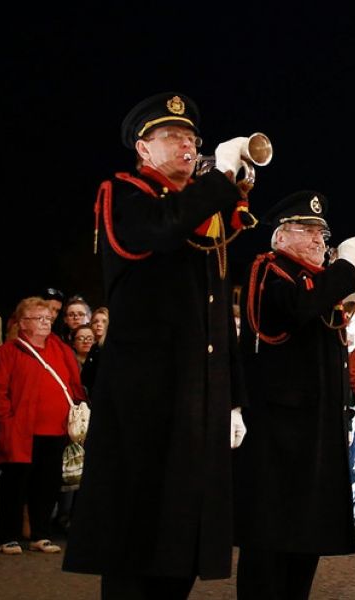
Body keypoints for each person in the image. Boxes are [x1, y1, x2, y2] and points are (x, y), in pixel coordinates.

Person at [64, 92, 249, 599]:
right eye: (173, 136)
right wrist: (216, 182)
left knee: (184, 524)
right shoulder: (123, 192)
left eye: (192, 138)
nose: (187, 145)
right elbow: (157, 232)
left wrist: (232, 394)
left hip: (196, 391)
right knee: (136, 522)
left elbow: (216, 311)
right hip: (145, 390)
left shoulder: (201, 207)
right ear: (143, 148)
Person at [232, 191, 355, 599]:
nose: (318, 241)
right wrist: (344, 269)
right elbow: (295, 310)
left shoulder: (318, 280)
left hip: (317, 425)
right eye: (307, 231)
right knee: (272, 530)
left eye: (322, 234)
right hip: (278, 428)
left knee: (308, 530)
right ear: (280, 237)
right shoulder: (269, 270)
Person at [0, 297, 84, 556]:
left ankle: (41, 534)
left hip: (56, 430)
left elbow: (73, 383)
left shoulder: (59, 348)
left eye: (48, 319)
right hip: (21, 430)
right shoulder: (7, 352)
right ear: (22, 323)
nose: (45, 323)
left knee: (47, 484)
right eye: (39, 318)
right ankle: (8, 535)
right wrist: (5, 421)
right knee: (14, 484)